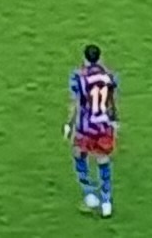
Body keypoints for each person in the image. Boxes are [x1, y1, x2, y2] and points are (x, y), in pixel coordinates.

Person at [64, 44, 119, 219]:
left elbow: (75, 103)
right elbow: (111, 101)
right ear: (99, 58)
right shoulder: (109, 76)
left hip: (86, 126)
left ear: (85, 58)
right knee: (103, 160)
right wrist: (114, 119)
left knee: (79, 154)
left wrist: (69, 124)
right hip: (103, 125)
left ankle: (89, 193)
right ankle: (106, 202)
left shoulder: (79, 77)